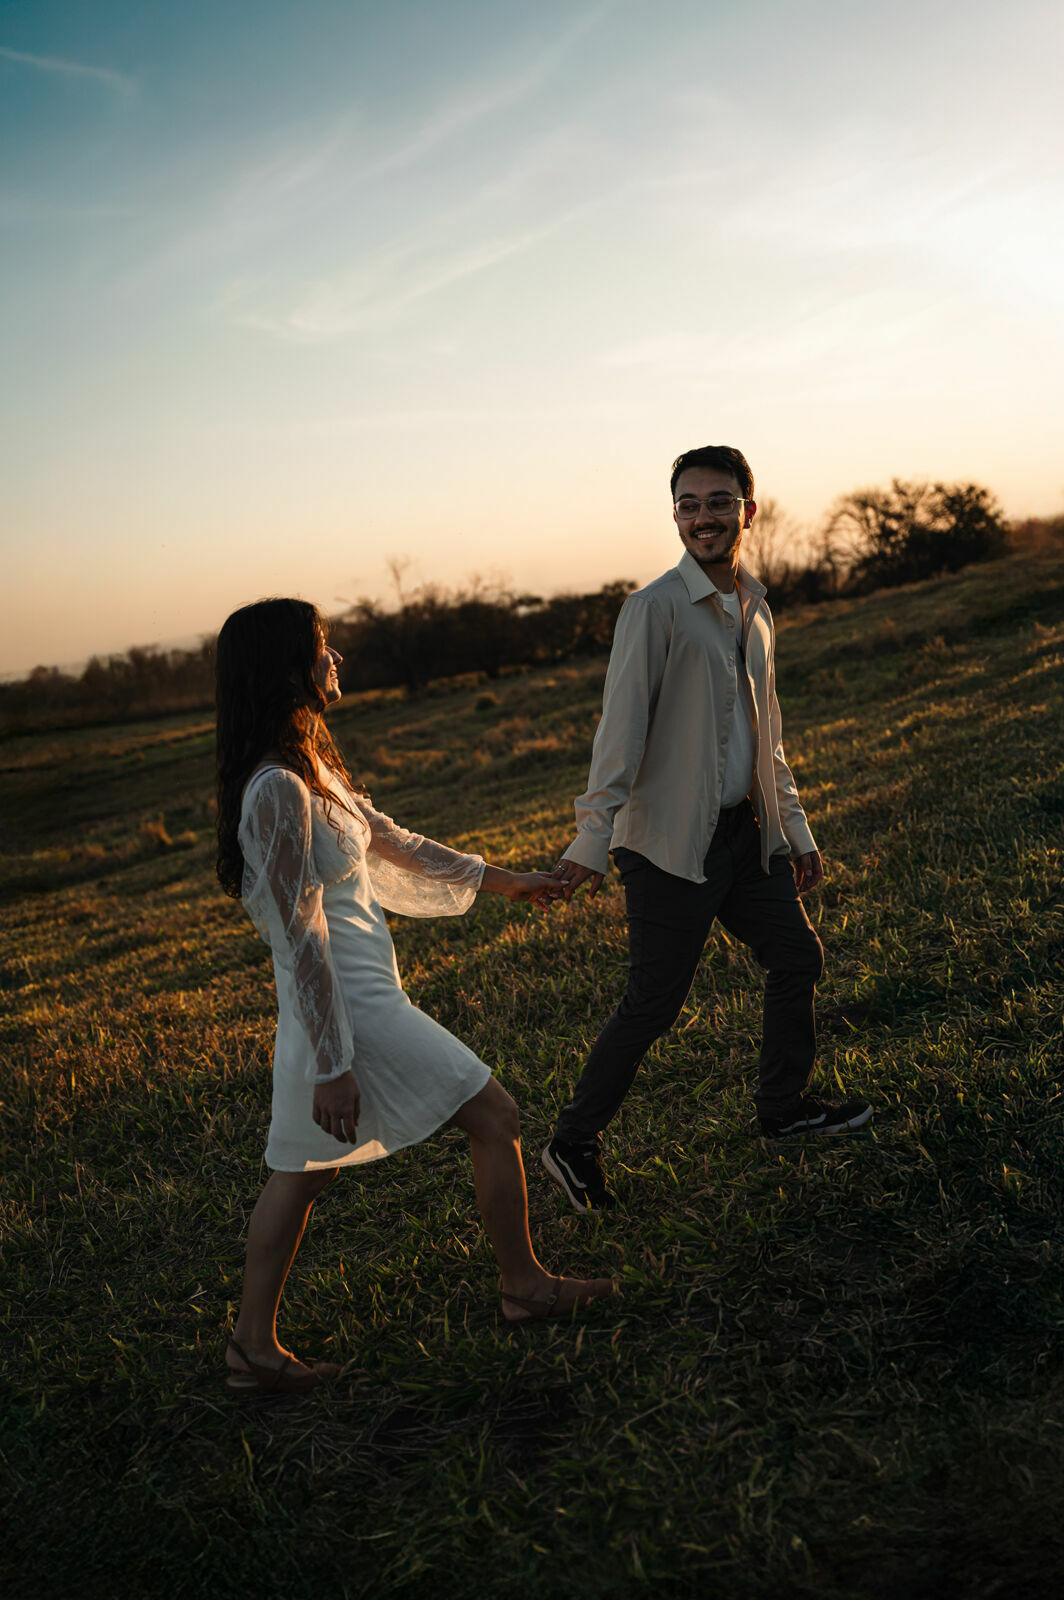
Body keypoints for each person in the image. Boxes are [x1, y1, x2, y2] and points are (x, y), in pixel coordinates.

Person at [215, 597, 614, 1392]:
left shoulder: (309, 769)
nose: (336, 663)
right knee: (494, 1115)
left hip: (357, 1002)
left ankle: (250, 1350)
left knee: (303, 1172)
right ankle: (524, 1288)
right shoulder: (273, 793)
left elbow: (393, 839)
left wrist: (508, 882)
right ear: (287, 667)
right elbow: (302, 937)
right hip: (348, 1012)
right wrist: (334, 1062)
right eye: (323, 651)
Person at [541, 446, 872, 1214]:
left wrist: (795, 829)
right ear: (676, 515)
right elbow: (618, 737)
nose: (703, 517)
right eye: (688, 505)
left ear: (748, 511)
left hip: (744, 835)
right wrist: (591, 842)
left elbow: (768, 735)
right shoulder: (652, 608)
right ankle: (573, 1143)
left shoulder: (756, 606)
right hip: (664, 847)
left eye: (718, 502)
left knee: (796, 954)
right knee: (655, 1004)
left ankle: (784, 1111)